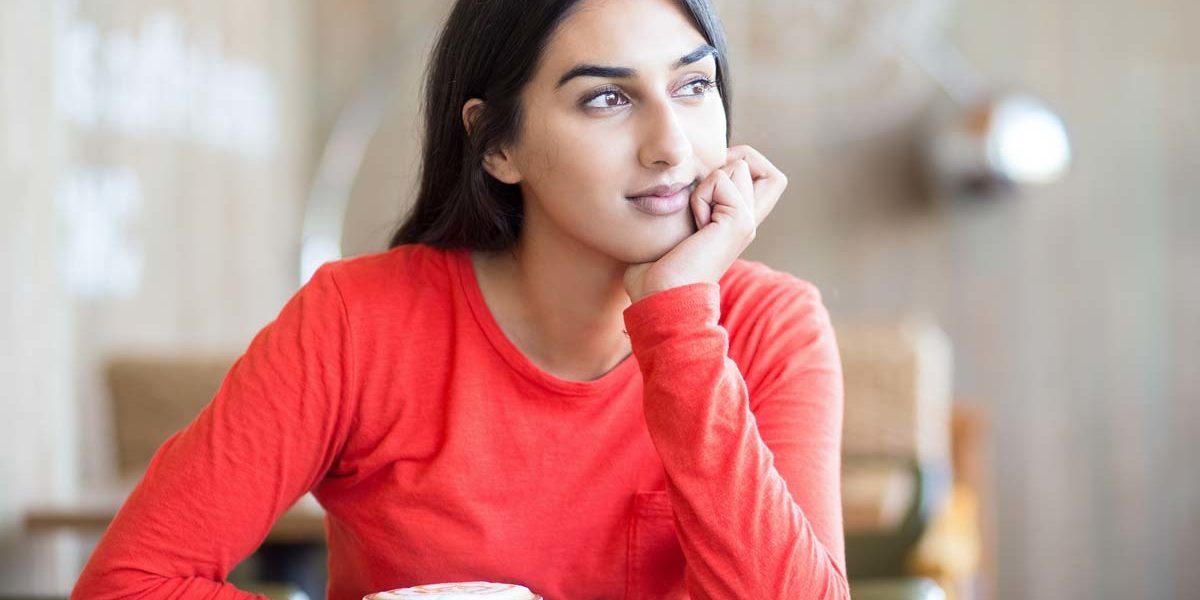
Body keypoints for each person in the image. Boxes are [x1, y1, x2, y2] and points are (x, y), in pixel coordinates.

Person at [72, 0, 850, 598]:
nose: (671, 144)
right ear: (497, 145)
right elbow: (127, 583)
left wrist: (680, 319)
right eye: (606, 100)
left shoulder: (771, 328)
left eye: (693, 85)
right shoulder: (358, 322)